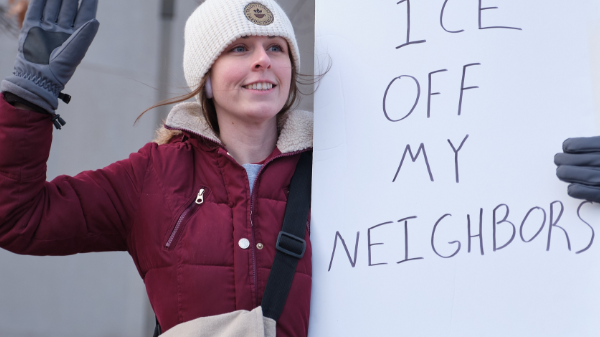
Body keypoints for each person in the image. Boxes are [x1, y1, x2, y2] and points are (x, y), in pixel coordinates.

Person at [0, 0, 314, 335]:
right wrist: (30, 95)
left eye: (276, 48)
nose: (263, 60)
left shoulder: (338, 173)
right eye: (239, 48)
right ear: (206, 77)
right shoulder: (154, 177)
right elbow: (19, 219)